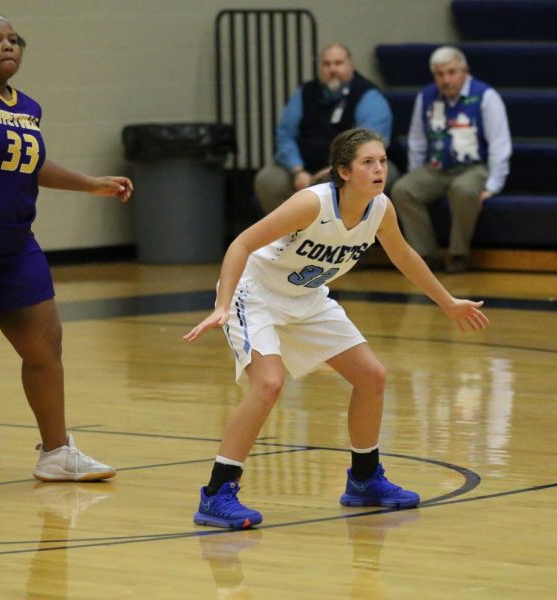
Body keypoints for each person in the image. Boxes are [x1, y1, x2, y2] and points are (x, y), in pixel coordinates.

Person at [184, 128, 489, 529]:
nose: (379, 169)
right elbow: (241, 243)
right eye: (368, 162)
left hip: (306, 298)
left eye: (381, 161)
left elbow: (404, 255)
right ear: (343, 171)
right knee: (268, 384)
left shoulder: (381, 208)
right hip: (253, 293)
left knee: (371, 376)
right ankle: (216, 494)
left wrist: (447, 302)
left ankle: (364, 480)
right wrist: (223, 304)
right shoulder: (312, 203)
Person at [0, 6, 130, 502]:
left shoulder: (28, 106)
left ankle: (57, 453)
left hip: (14, 242)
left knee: (45, 349)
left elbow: (29, 163)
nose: (9, 45)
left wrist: (90, 184)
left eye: (15, 39)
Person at [391, 46, 512, 274]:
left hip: (474, 167)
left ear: (464, 71)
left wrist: (494, 185)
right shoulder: (426, 96)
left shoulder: (486, 96)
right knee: (402, 189)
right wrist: (416, 172)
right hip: (436, 168)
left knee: (464, 190)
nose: (446, 80)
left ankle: (459, 254)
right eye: (439, 74)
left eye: (451, 72)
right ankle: (426, 256)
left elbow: (499, 143)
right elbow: (417, 140)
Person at [254, 43, 395, 215]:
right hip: (304, 168)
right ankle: (292, 237)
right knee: (268, 180)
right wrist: (297, 170)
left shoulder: (368, 96)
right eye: (326, 64)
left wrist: (332, 171)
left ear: (351, 66)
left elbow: (367, 147)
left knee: (351, 179)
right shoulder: (304, 92)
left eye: (338, 63)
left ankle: (340, 239)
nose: (332, 69)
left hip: (349, 167)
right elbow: (285, 134)